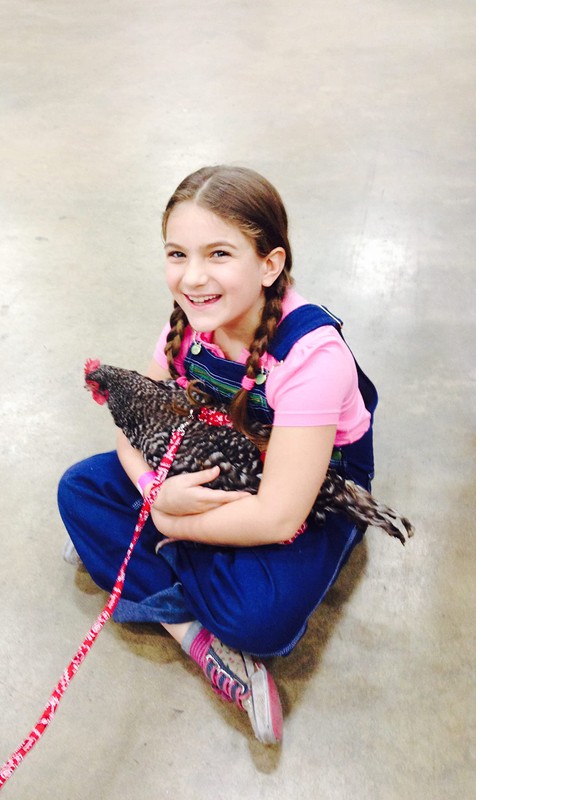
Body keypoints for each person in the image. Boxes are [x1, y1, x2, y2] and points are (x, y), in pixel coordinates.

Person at [58, 165, 378, 745]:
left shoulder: (311, 358)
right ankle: (194, 636)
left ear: (270, 264)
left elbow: (279, 514)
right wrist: (159, 491)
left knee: (261, 617)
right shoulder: (185, 324)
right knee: (78, 489)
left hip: (313, 488)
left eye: (219, 254)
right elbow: (135, 428)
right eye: (177, 254)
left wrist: (163, 517)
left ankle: (145, 562)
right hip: (221, 457)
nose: (194, 277)